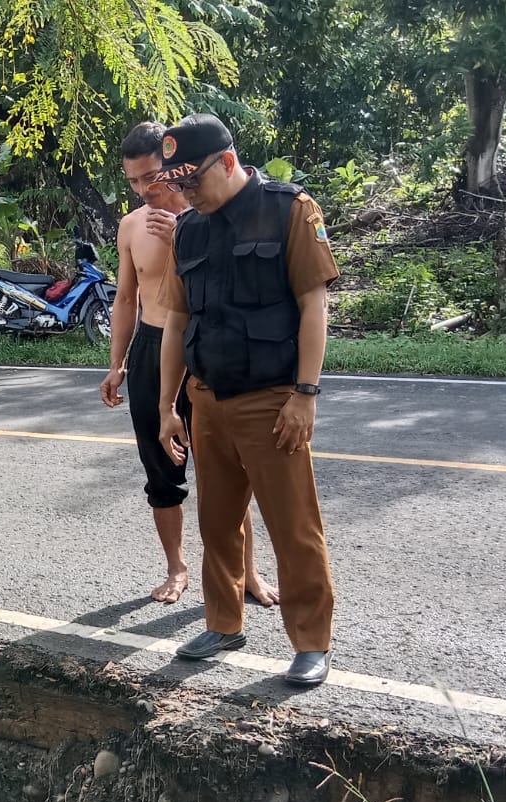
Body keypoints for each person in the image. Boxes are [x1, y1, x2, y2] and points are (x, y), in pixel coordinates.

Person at [154, 114, 337, 686]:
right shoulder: (190, 230)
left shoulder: (289, 211)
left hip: (272, 400)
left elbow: (314, 305)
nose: (187, 196)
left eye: (193, 184)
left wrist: (305, 394)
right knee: (217, 521)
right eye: (178, 186)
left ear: (227, 163)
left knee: (293, 526)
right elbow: (177, 320)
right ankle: (223, 621)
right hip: (207, 399)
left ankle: (310, 641)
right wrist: (167, 406)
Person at [101, 121, 277, 607]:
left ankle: (247, 572)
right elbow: (126, 299)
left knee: (227, 470)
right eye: (133, 182)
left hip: (203, 349)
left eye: (152, 177)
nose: (144, 191)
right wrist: (117, 363)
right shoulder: (132, 226)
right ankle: (176, 568)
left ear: (176, 168)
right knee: (160, 468)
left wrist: (182, 235)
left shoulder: (209, 218)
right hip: (150, 350)